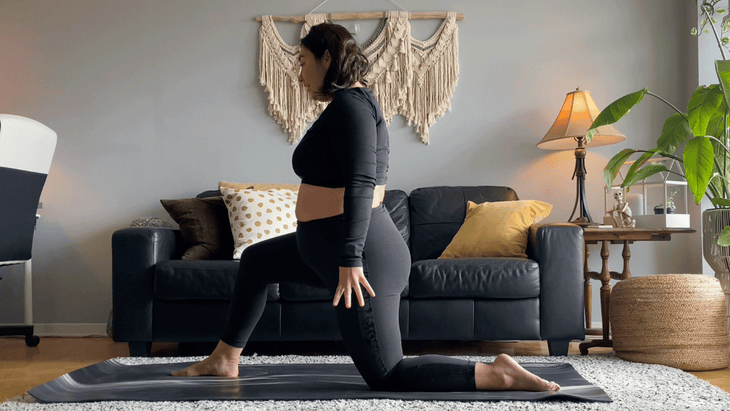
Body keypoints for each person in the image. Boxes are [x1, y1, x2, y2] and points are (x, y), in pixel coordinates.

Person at [172, 22, 560, 393]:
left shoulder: (352, 106)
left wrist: (351, 257)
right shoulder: (345, 106)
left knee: (386, 372)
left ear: (327, 58)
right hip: (323, 248)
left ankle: (498, 374)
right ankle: (225, 358)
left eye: (303, 61)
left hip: (365, 257)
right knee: (257, 261)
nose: (299, 73)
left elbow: (362, 183)